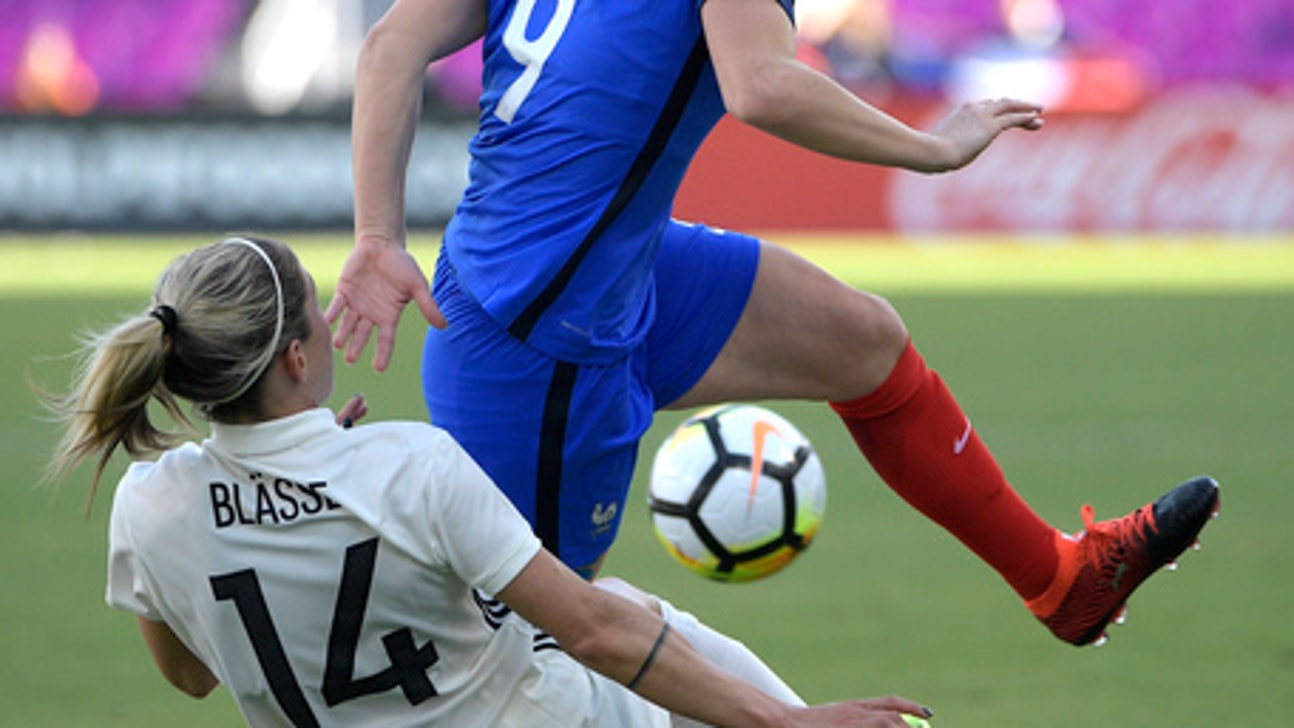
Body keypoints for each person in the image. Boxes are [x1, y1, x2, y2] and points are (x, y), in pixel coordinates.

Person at [328, 0, 1220, 648]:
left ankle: (1062, 582)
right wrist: (933, 147)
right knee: (539, 650)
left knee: (863, 344)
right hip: (539, 344)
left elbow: (391, 42)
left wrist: (377, 235)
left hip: (598, 270)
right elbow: (758, 87)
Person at [41, 235, 937, 728]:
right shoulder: (409, 466)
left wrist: (298, 514)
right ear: (298, 355)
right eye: (319, 302)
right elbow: (592, 635)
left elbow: (195, 678)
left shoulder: (147, 503)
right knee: (632, 610)